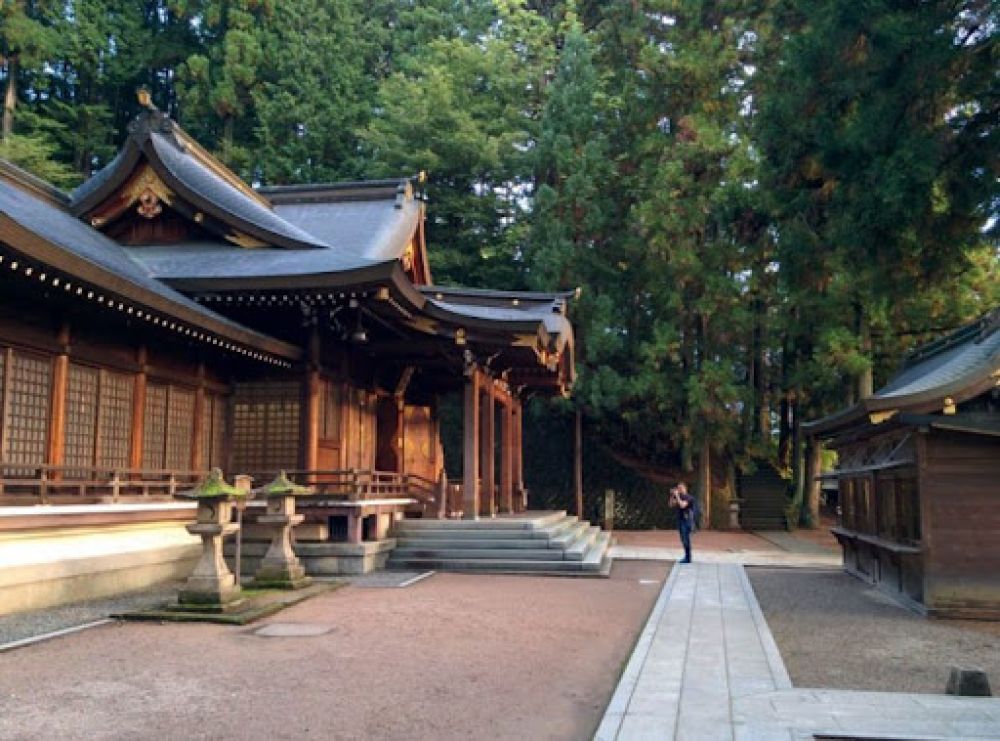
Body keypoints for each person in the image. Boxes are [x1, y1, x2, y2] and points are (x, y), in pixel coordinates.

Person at [669, 483, 696, 563]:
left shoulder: (689, 498)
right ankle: (687, 556)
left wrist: (677, 496)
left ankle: (688, 557)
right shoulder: (678, 497)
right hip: (680, 520)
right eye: (678, 488)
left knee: (685, 538)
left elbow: (682, 505)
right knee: (683, 538)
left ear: (685, 488)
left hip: (687, 520)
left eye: (681, 488)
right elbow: (671, 504)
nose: (679, 490)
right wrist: (672, 496)